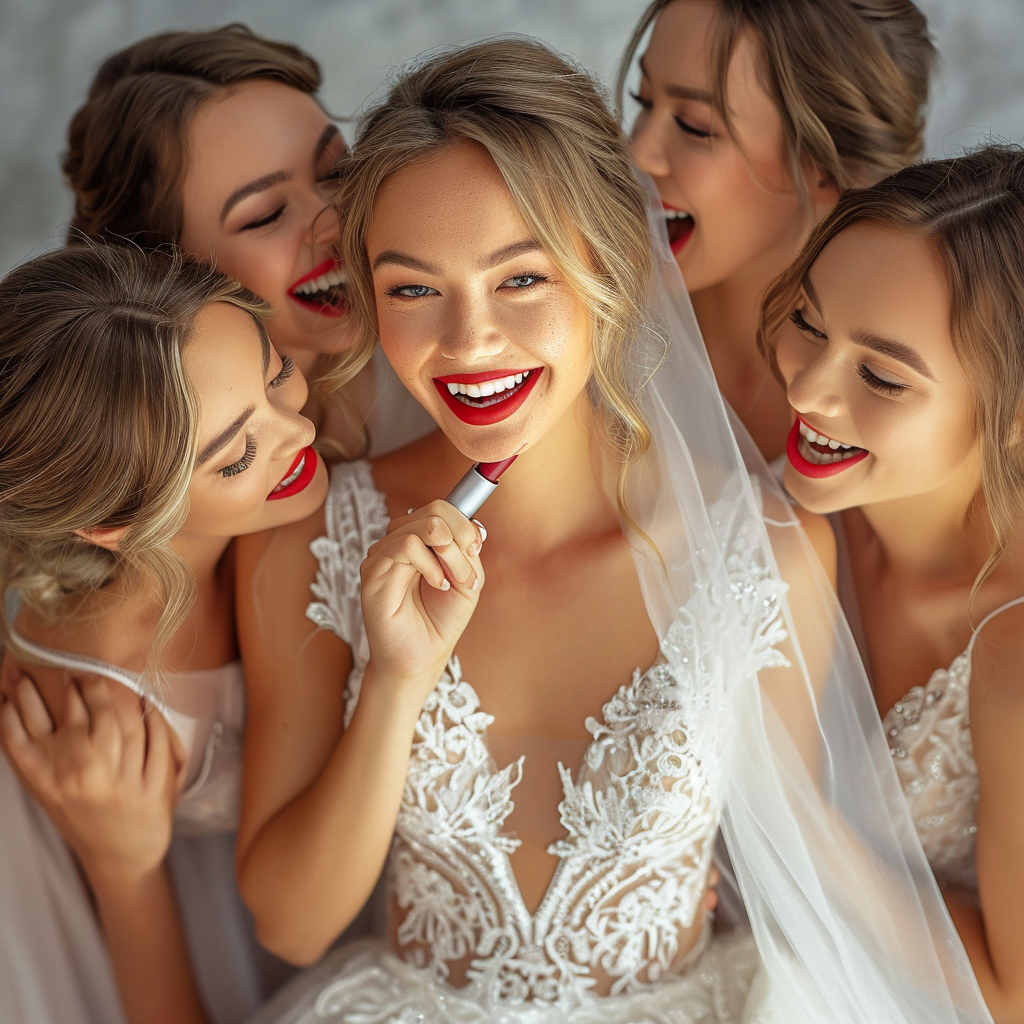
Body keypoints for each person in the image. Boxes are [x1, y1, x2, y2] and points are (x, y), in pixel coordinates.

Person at [235, 38, 991, 1024]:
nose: (468, 342)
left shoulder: (761, 545)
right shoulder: (316, 538)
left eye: (522, 279)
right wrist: (392, 682)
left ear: (613, 263)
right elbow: (291, 926)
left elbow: (793, 863)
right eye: (413, 287)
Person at [0, 242, 327, 1024]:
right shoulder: (94, 706)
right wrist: (125, 868)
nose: (299, 434)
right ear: (113, 525)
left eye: (276, 372)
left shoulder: (273, 511)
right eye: (239, 452)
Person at [761, 144, 1024, 1022]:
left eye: (880, 375)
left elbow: (1008, 994)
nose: (807, 391)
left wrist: (791, 823)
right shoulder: (789, 509)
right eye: (807, 320)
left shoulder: (1013, 649)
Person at [62, 22, 431, 456]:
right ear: (163, 267)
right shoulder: (146, 470)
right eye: (265, 216)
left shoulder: (451, 343)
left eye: (337, 171)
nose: (336, 222)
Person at [622, 0, 934, 460]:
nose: (638, 152)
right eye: (644, 101)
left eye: (695, 126)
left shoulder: (911, 398)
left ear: (827, 168)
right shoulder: (585, 338)